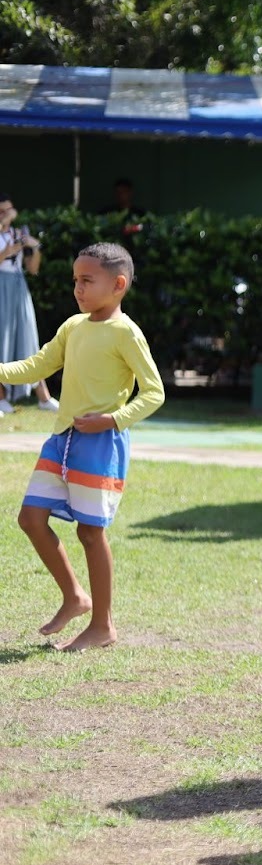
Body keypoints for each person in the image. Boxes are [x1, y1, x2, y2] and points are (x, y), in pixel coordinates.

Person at [0, 242, 165, 651]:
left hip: (101, 444)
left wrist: (111, 419)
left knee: (92, 533)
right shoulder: (73, 326)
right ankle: (74, 597)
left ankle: (103, 626)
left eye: (87, 281)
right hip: (61, 440)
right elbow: (39, 365)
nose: (78, 288)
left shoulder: (127, 333)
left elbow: (154, 392)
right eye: (75, 280)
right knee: (31, 519)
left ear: (119, 284)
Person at [0, 195, 55, 413]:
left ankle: (43, 397)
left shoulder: (18, 234)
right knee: (1, 340)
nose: (7, 215)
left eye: (8, 210)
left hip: (18, 287)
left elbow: (33, 269)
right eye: (1, 211)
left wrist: (35, 247)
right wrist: (12, 247)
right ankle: (1, 396)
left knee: (27, 339)